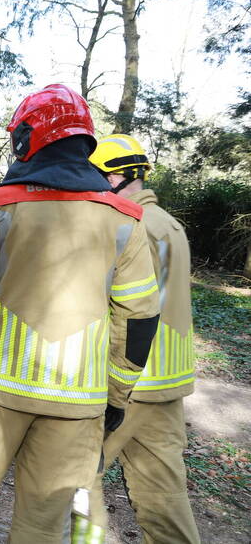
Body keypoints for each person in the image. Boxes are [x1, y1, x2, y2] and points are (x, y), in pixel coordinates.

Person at [0, 85, 161, 543]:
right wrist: (116, 397)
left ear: (27, 139)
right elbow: (138, 321)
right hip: (77, 406)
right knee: (42, 529)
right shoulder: (126, 221)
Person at [87, 134, 200, 543]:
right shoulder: (169, 224)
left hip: (128, 382)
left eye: (96, 175)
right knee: (165, 499)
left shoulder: (128, 226)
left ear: (118, 175)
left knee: (76, 483)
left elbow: (125, 309)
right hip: (166, 388)